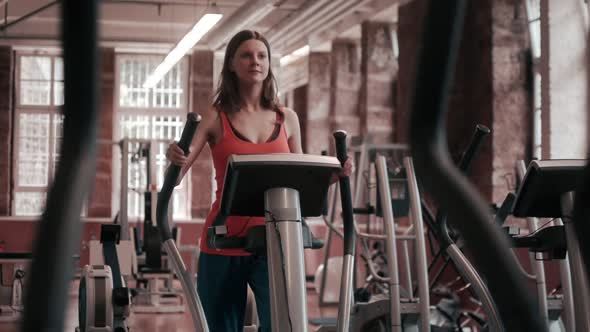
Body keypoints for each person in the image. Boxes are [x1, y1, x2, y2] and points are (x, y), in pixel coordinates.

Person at [166, 30, 352, 332]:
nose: (256, 61)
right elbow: (177, 176)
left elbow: (300, 178)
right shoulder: (215, 116)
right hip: (223, 240)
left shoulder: (287, 117)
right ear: (231, 64)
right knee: (221, 327)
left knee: (282, 325)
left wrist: (335, 175)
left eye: (262, 55)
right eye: (247, 55)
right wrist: (173, 157)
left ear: (269, 65)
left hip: (275, 241)